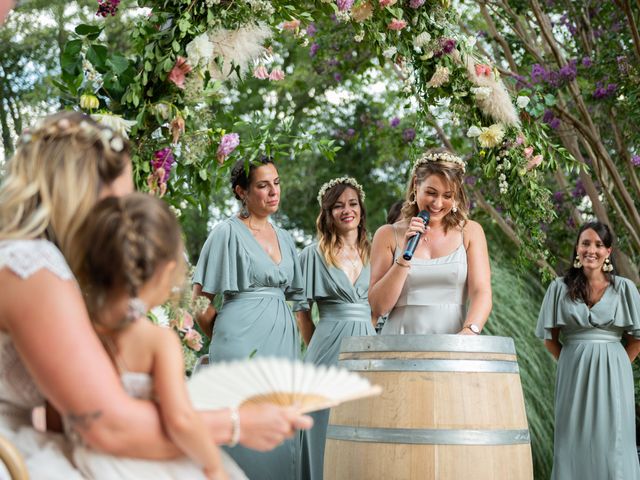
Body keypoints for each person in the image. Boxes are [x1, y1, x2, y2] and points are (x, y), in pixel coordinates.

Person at [0, 112, 311, 479]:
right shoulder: (31, 267)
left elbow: (63, 410)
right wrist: (235, 424)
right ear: (81, 190)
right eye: (119, 198)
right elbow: (103, 425)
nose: (124, 211)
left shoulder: (40, 263)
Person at [70, 193, 246, 479]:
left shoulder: (73, 327)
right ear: (166, 270)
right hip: (138, 463)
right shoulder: (157, 340)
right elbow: (181, 421)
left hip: (79, 460)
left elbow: (56, 418)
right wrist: (213, 467)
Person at [193, 156, 305, 480]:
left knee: (279, 436)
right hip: (238, 344)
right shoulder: (225, 233)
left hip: (282, 347)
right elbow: (199, 299)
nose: (273, 192)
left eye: (277, 183)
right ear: (242, 191)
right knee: (242, 435)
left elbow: (295, 298)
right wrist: (227, 339)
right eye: (262, 185)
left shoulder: (284, 238)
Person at [536, 222, 640, 480]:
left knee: (612, 445)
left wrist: (616, 364)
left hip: (614, 372)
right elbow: (550, 339)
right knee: (572, 441)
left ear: (608, 251)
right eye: (585, 243)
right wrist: (574, 361)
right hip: (574, 373)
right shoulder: (559, 288)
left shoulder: (624, 289)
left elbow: (637, 339)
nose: (590, 250)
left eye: (598, 245)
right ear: (577, 248)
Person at [295, 177, 376, 480]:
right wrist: (317, 351)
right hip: (326, 348)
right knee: (323, 426)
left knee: (365, 428)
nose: (347, 210)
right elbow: (302, 311)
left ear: (361, 209)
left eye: (352, 204)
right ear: (327, 213)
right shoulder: (312, 255)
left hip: (369, 348)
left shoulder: (375, 252)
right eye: (338, 205)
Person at [369, 148, 492, 335]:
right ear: (416, 186)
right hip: (398, 345)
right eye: (431, 193)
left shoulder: (470, 232)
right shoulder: (387, 235)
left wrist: (469, 331)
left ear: (457, 194)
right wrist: (404, 259)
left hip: (455, 345)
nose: (438, 203)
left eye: (447, 195)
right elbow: (378, 307)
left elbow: (481, 292)